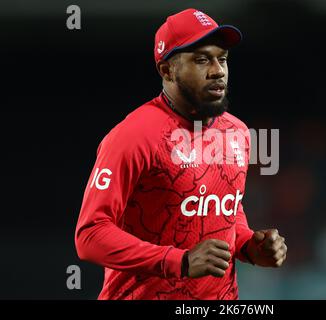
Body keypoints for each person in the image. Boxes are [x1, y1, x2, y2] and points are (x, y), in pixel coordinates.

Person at [75, 8, 287, 300]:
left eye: (222, 58)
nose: (217, 70)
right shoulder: (134, 135)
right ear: (167, 70)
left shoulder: (237, 132)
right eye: (201, 60)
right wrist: (181, 261)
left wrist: (250, 246)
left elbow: (224, 210)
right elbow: (90, 236)